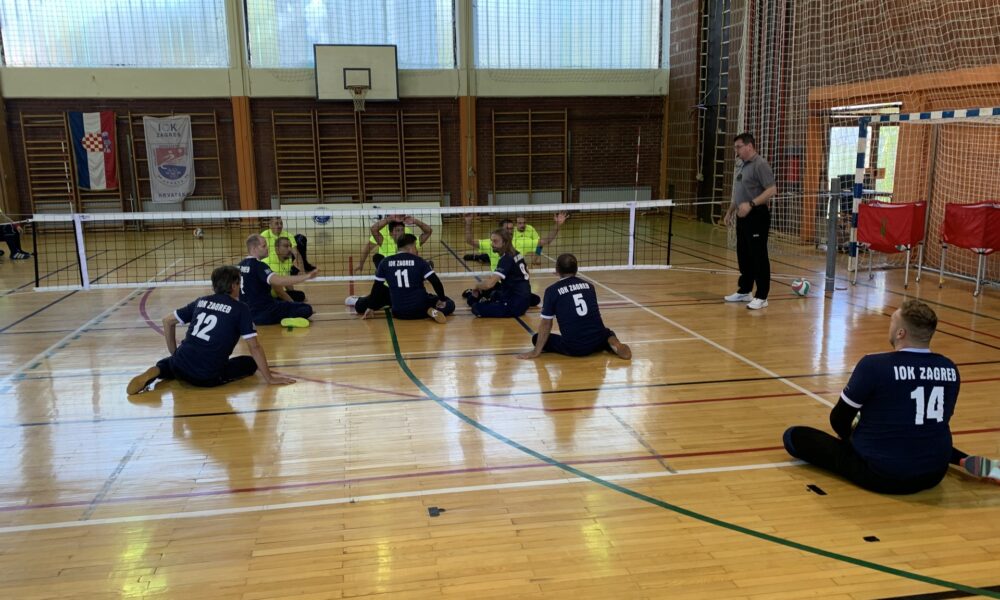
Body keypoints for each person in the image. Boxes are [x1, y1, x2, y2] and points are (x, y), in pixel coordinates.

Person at [782, 300, 1000, 493]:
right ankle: (961, 459)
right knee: (921, 429)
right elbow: (933, 423)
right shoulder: (950, 368)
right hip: (934, 473)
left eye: (893, 320)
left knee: (794, 437)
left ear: (901, 333)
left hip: (884, 476)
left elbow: (838, 420)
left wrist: (851, 435)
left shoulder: (874, 365)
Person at [126, 265, 294, 394]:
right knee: (249, 363)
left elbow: (167, 321)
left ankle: (160, 369)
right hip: (205, 376)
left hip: (180, 364)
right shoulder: (240, 308)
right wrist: (269, 378)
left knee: (173, 363)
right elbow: (254, 346)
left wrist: (175, 353)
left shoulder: (202, 300)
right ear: (235, 285)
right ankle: (179, 366)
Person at [517, 253, 631, 360]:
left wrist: (536, 351)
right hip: (597, 340)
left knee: (536, 338)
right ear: (576, 269)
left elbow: (546, 324)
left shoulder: (552, 291)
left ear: (557, 270)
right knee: (606, 333)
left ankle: (600, 343)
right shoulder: (589, 286)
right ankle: (615, 344)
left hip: (576, 348)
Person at [345, 233, 455, 323]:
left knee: (390, 296)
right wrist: (441, 299)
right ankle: (434, 310)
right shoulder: (419, 261)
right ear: (411, 248)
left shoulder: (385, 262)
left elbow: (377, 287)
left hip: (398, 312)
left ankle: (431, 309)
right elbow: (436, 282)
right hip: (420, 309)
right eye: (415, 246)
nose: (417, 250)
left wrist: (371, 306)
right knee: (449, 303)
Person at [723, 132, 776, 310]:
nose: (736, 150)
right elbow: (739, 190)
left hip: (757, 215)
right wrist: (730, 211)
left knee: (758, 255)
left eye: (738, 147)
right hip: (741, 215)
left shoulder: (760, 165)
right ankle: (745, 290)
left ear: (749, 146)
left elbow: (772, 190)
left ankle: (762, 295)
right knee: (743, 254)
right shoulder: (741, 164)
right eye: (735, 147)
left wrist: (751, 204)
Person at [239, 234, 317, 325]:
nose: (267, 248)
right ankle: (285, 319)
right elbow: (279, 281)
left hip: (247, 313)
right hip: (263, 312)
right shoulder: (259, 266)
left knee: (291, 301)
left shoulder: (239, 265)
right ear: (254, 249)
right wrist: (307, 276)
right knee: (306, 308)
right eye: (264, 246)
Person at [463, 227, 532, 318]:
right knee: (494, 293)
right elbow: (527, 272)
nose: (492, 244)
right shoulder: (517, 253)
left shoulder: (506, 259)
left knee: (476, 308)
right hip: (522, 299)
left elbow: (489, 284)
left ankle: (480, 299)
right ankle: (485, 299)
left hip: (513, 306)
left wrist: (476, 286)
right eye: (492, 241)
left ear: (505, 242)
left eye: (495, 241)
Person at [355, 214, 432, 272]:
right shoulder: (384, 241)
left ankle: (423, 267)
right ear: (391, 233)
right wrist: (361, 263)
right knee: (377, 257)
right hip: (390, 270)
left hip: (406, 271)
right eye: (398, 231)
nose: (401, 233)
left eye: (402, 230)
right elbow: (373, 231)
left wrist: (415, 221)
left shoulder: (408, 242)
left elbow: (428, 232)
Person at [262, 237, 306, 302]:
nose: (290, 249)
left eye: (290, 246)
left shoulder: (287, 260)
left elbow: (287, 283)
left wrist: (293, 295)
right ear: (277, 248)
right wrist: (294, 305)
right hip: (265, 298)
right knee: (305, 309)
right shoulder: (268, 263)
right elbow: (278, 292)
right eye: (286, 246)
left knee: (300, 295)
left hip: (276, 295)